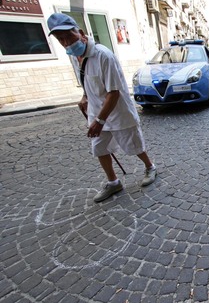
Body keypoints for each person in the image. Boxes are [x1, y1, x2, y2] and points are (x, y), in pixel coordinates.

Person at [47, 13, 157, 203]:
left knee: (134, 145)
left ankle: (150, 167)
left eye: (68, 37)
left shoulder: (104, 55)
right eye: (60, 39)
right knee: (99, 148)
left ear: (80, 33)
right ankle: (113, 182)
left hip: (118, 112)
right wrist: (84, 97)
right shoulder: (76, 56)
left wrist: (99, 121)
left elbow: (113, 92)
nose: (66, 43)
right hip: (97, 112)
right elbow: (87, 82)